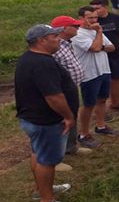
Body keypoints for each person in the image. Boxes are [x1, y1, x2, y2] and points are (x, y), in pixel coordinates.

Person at [16, 24, 77, 202]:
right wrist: (68, 116)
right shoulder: (43, 63)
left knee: (38, 153)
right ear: (41, 40)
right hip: (46, 121)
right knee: (47, 161)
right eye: (54, 36)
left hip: (33, 118)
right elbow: (54, 97)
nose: (58, 38)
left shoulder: (29, 58)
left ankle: (41, 190)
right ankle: (47, 198)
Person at [72, 6, 118, 149]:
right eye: (90, 18)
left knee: (102, 99)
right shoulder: (78, 34)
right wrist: (99, 34)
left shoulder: (96, 32)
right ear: (81, 18)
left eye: (95, 18)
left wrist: (99, 44)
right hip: (89, 73)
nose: (94, 21)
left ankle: (101, 125)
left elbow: (111, 47)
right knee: (88, 104)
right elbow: (95, 48)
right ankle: (83, 133)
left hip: (103, 69)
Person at [50, 16, 91, 170]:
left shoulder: (67, 43)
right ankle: (55, 158)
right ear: (63, 29)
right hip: (59, 91)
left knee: (72, 116)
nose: (77, 27)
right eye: (74, 25)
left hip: (72, 88)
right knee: (60, 122)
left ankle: (71, 147)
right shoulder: (54, 47)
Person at [89, 0, 119, 111]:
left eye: (97, 8)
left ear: (105, 7)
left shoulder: (116, 18)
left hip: (114, 54)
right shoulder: (93, 21)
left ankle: (116, 103)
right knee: (99, 80)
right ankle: (99, 109)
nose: (94, 11)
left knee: (116, 78)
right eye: (92, 9)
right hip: (99, 54)